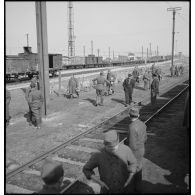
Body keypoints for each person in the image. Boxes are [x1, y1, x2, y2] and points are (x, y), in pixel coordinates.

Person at [128, 107, 147, 193]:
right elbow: (146, 138)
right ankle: (139, 186)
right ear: (138, 115)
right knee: (139, 167)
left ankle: (134, 188)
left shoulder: (131, 127)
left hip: (135, 151)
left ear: (129, 116)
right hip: (141, 148)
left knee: (133, 169)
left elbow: (132, 144)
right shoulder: (143, 124)